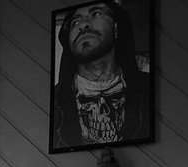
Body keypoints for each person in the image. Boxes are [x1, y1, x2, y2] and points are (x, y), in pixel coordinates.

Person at [53, 0, 151, 149]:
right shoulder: (55, 101)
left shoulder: (148, 89)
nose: (83, 25)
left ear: (116, 28)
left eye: (96, 14)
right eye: (75, 22)